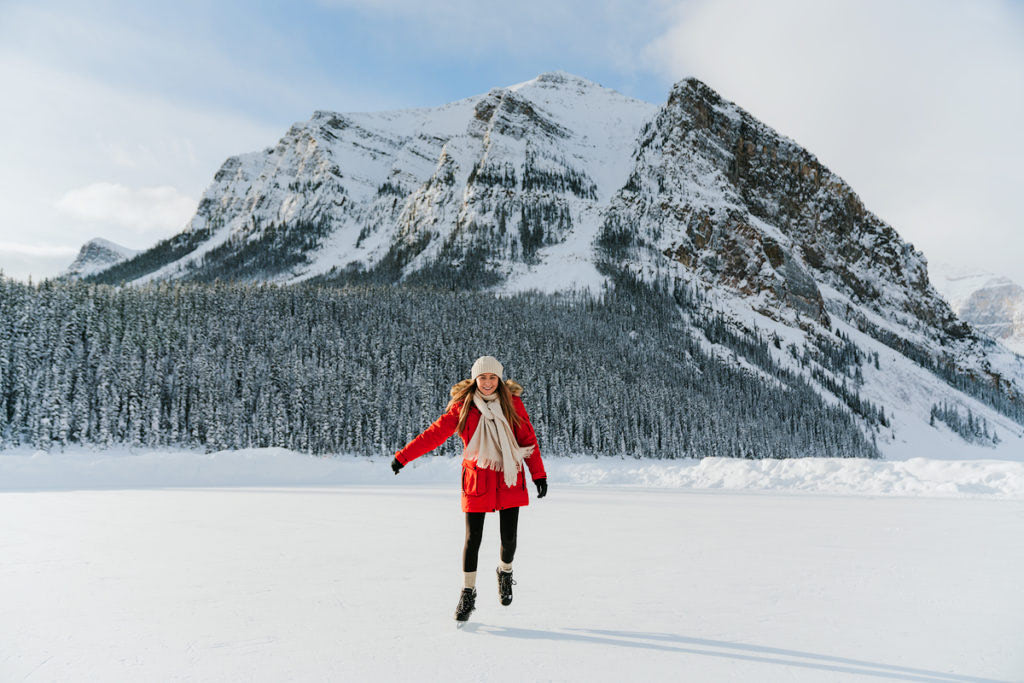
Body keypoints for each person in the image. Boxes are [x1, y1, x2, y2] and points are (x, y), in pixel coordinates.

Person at [391, 355, 548, 622]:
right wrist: (403, 457)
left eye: (492, 377)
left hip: (509, 477)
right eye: (482, 377)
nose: (487, 383)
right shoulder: (463, 407)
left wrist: (539, 474)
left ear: (499, 380)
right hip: (477, 480)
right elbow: (434, 433)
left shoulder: (513, 405)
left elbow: (527, 438)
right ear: (475, 379)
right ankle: (467, 593)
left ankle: (505, 572)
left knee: (508, 540)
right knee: (472, 540)